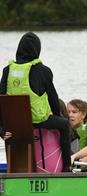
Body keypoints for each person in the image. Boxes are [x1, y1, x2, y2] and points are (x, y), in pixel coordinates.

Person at [0, 32, 71, 171]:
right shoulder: (43, 70)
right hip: (39, 120)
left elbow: (1, 100)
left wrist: (1, 130)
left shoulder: (7, 70)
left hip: (15, 123)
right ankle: (67, 167)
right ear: (37, 49)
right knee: (64, 124)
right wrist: (57, 116)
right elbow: (53, 98)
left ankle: (17, 170)